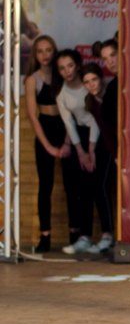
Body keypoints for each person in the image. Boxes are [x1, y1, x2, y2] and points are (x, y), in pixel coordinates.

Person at [24, 35, 72, 252]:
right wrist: (48, 146)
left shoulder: (62, 75)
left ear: (54, 51)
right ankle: (45, 236)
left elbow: (71, 109)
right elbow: (32, 116)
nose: (45, 55)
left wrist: (68, 141)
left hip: (66, 127)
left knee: (72, 185)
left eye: (48, 50)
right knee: (46, 186)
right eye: (40, 51)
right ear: (35, 55)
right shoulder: (32, 80)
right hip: (45, 129)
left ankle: (75, 234)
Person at [54, 49, 102, 256]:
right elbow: (69, 123)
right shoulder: (62, 94)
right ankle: (84, 237)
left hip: (98, 134)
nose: (67, 71)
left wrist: (91, 148)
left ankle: (106, 237)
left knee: (97, 187)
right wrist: (81, 151)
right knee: (80, 188)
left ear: (78, 65)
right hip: (80, 138)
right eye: (62, 68)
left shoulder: (88, 85)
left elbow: (95, 118)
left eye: (70, 66)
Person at [82, 63, 116, 257]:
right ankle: (107, 234)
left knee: (105, 187)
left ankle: (112, 235)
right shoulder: (90, 101)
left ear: (101, 79)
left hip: (118, 145)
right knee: (100, 187)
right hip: (108, 145)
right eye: (87, 82)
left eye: (94, 80)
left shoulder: (112, 94)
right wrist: (92, 148)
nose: (91, 85)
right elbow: (102, 128)